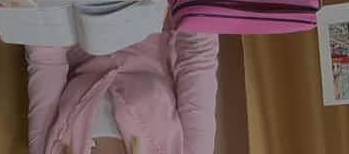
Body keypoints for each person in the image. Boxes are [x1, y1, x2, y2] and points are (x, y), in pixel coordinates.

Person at [26, 30, 218, 154]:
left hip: (75, 8)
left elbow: (45, 61)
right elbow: (197, 57)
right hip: (157, 0)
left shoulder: (50, 149)